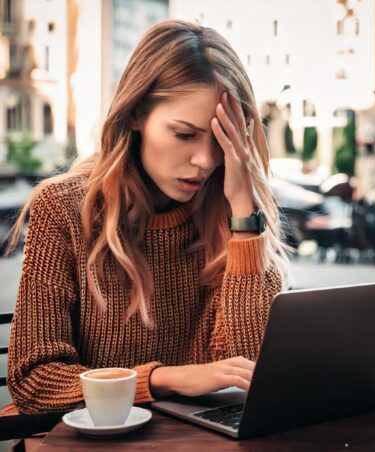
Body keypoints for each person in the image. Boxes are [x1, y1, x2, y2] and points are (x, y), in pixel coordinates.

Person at [3, 19, 288, 415]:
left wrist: (244, 214)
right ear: (136, 114)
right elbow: (33, 381)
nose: (205, 160)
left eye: (221, 140)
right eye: (184, 134)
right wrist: (160, 380)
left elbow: (248, 373)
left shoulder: (235, 219)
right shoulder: (64, 209)